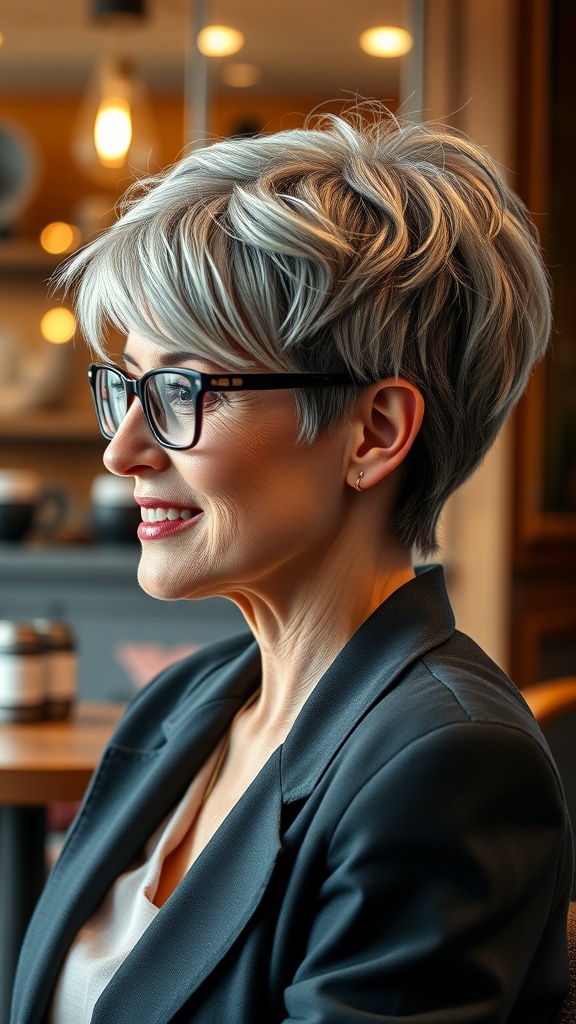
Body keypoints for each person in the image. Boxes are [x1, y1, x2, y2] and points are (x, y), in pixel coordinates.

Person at [11, 110, 573, 1024]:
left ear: (374, 433)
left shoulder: (446, 764)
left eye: (184, 390)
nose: (122, 451)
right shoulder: (185, 705)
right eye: (128, 385)